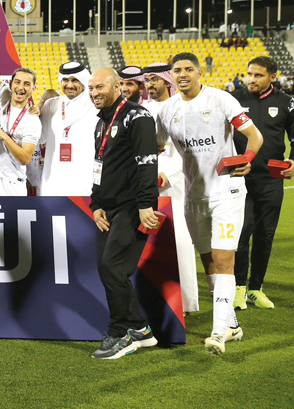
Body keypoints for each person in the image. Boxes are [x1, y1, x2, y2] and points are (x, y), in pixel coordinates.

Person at [154, 52, 264, 354]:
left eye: (189, 69)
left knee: (223, 260)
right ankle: (232, 324)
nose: (183, 74)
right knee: (209, 263)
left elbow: (253, 136)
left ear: (199, 72)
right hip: (193, 196)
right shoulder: (166, 110)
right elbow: (156, 145)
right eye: (177, 70)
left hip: (226, 191)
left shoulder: (221, 100)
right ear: (172, 76)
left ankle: (218, 333)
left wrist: (248, 159)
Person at [88, 67, 161, 360]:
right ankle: (141, 330)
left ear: (117, 86)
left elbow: (147, 162)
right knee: (108, 269)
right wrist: (96, 204)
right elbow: (99, 165)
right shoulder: (101, 122)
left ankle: (120, 335)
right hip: (109, 208)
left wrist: (146, 205)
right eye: (91, 88)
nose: (94, 93)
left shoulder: (138, 116)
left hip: (133, 206)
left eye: (100, 87)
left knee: (113, 268)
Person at [231, 56, 294, 310]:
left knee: (265, 236)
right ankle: (238, 287)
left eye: (258, 75)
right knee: (241, 233)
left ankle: (255, 289)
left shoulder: (286, 103)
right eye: (249, 74)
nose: (251, 79)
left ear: (272, 76)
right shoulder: (234, 99)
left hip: (271, 180)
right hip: (240, 179)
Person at [143, 62, 199, 313]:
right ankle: (153, 297)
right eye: (148, 81)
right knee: (148, 244)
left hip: (175, 187)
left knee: (180, 243)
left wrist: (171, 174)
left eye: (155, 80)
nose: (150, 85)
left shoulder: (183, 109)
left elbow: (189, 150)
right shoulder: (142, 109)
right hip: (145, 186)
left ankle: (185, 303)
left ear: (168, 82)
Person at [38, 61, 97, 196]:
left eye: (75, 80)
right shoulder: (51, 105)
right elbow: (41, 137)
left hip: (84, 177)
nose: (69, 85)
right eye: (65, 80)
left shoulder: (96, 106)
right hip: (55, 175)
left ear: (84, 81)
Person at [0, 65, 41, 196]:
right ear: (11, 84)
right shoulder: (3, 98)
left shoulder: (32, 120)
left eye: (26, 84)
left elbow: (25, 158)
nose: (20, 87)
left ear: (33, 89)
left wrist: (3, 136)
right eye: (17, 82)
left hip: (11, 183)